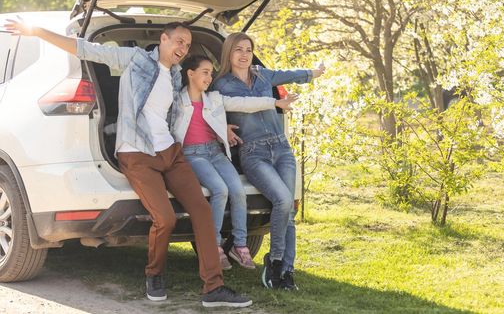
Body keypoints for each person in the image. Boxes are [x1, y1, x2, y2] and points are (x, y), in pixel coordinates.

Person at [3, 18, 251, 308]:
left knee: (202, 210)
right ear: (163, 39)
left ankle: (214, 288)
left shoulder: (175, 75)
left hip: (170, 152)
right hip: (136, 153)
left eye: (187, 44)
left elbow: (189, 112)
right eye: (178, 41)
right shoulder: (134, 60)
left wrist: (221, 129)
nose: (183, 48)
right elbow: (84, 49)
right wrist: (37, 30)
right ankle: (154, 275)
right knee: (166, 219)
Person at [212, 32, 325, 290]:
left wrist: (313, 73)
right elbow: (205, 111)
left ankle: (286, 271)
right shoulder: (220, 85)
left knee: (289, 215)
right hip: (253, 153)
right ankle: (274, 263)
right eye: (238, 49)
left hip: (281, 148)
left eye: (248, 50)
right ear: (228, 52)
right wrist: (223, 128)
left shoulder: (263, 74)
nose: (243, 54)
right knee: (283, 200)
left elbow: (289, 73)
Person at [174, 55, 298, 270]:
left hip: (215, 152)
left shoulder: (214, 98)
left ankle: (239, 246)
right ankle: (214, 245)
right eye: (205, 72)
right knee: (220, 190)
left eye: (211, 73)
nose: (210, 77)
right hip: (192, 154)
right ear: (190, 74)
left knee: (238, 191)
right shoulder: (177, 101)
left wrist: (274, 102)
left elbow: (243, 103)